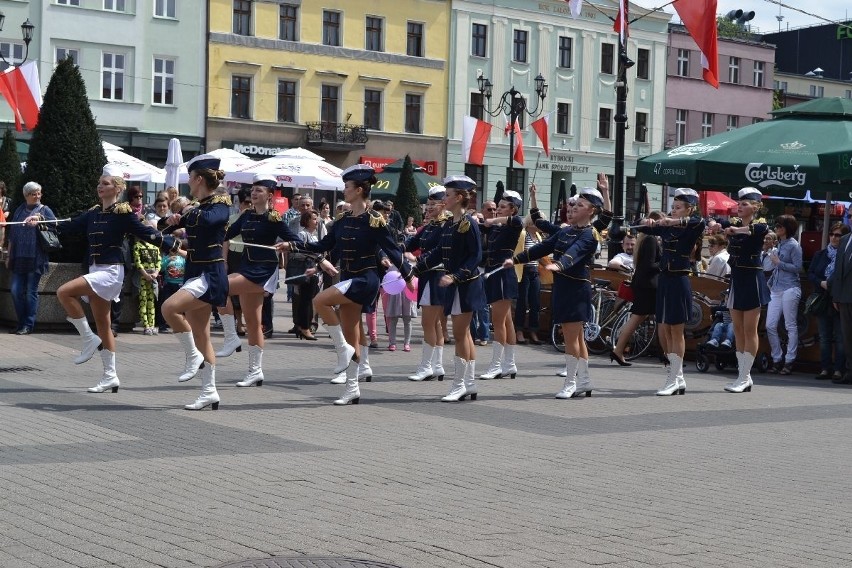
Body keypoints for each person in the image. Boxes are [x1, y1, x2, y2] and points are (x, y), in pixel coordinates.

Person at [25, 166, 175, 393]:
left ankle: (87, 338)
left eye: (105, 183)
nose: (99, 186)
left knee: (64, 292)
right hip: (96, 270)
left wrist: (176, 246)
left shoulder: (123, 214)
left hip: (111, 271)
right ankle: (110, 376)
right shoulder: (93, 213)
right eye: (99, 183)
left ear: (117, 188)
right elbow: (69, 225)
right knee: (104, 326)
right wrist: (42, 220)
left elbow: (147, 233)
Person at [276, 164, 412, 405]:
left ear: (359, 190)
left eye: (347, 187)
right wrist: (294, 245)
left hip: (366, 279)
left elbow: (392, 248)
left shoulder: (375, 221)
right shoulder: (343, 221)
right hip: (349, 277)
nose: (344, 190)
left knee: (319, 300)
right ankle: (352, 388)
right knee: (351, 334)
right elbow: (324, 246)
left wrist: (409, 276)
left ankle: (341, 351)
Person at [505, 186, 604, 399]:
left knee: (571, 338)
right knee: (576, 337)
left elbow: (574, 254)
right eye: (574, 204)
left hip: (576, 289)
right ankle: (584, 381)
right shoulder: (565, 231)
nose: (574, 208)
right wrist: (515, 259)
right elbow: (541, 248)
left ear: (591, 211)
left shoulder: (589, 234)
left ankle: (570, 383)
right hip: (563, 287)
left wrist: (559, 265)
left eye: (581, 205)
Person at [215, 174, 307, 388]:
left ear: (269, 195)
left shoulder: (274, 218)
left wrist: (286, 245)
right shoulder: (246, 216)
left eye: (259, 190)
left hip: (263, 270)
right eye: (253, 190)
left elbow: (296, 241)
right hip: (246, 266)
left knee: (219, 287)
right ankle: (255, 371)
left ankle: (230, 336)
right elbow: (228, 234)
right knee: (254, 323)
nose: (254, 193)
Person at [161, 154, 232, 410]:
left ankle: (192, 357)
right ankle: (209, 391)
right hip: (195, 271)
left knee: (169, 308)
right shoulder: (197, 205)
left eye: (190, 178)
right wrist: (170, 221)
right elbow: (165, 227)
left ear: (199, 179)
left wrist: (186, 214)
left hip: (210, 275)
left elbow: (212, 219)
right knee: (202, 335)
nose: (188, 183)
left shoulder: (220, 201)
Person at [414, 175, 484, 401]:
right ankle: (469, 383)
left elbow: (476, 256)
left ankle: (459, 384)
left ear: (459, 197)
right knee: (465, 335)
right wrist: (416, 268)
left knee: (461, 334)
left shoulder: (467, 223)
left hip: (465, 284)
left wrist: (456, 275)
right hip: (455, 284)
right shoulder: (451, 223)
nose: (444, 198)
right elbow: (438, 253)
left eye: (448, 194)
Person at [636, 188, 706, 396]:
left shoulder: (691, 226)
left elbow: (699, 223)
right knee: (665, 329)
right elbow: (646, 228)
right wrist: (648, 222)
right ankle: (677, 376)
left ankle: (674, 377)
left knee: (676, 330)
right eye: (672, 208)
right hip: (664, 280)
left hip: (678, 280)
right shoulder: (667, 229)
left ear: (689, 209)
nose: (673, 211)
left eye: (677, 208)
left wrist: (671, 221)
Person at [723, 187, 771, 393]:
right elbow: (719, 225)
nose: (739, 206)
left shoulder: (760, 225)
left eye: (744, 203)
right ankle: (743, 375)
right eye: (739, 203)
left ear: (756, 206)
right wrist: (717, 225)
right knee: (738, 328)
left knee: (750, 329)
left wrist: (735, 230)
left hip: (752, 279)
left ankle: (745, 375)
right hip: (737, 279)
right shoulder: (733, 223)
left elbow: (756, 231)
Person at [479, 190, 524, 380]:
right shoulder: (497, 226)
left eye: (503, 207)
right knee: (506, 321)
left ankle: (497, 365)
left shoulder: (513, 224)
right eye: (497, 207)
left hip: (502, 275)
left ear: (513, 209)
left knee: (498, 322)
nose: (497, 210)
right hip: (494, 274)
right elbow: (481, 227)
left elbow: (517, 221)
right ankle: (509, 364)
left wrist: (492, 221)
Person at [407, 186, 450, 381]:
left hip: (435, 276)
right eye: (428, 204)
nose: (429, 207)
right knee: (435, 324)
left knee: (428, 323)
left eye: (433, 204)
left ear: (443, 205)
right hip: (429, 277)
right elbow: (411, 244)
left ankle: (426, 367)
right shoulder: (429, 226)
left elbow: (437, 253)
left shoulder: (445, 226)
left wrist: (418, 260)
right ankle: (437, 365)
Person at [610, 211, 664, 366]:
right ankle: (665, 354)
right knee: (652, 319)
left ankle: (618, 350)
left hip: (643, 285)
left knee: (638, 318)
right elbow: (648, 265)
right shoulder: (651, 240)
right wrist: (665, 263)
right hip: (648, 286)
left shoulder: (644, 239)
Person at [5, 182, 57, 335]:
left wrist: (39, 220)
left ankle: (28, 324)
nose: (37, 196)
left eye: (39, 193)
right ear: (26, 195)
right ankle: (20, 322)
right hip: (18, 257)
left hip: (36, 257)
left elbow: (55, 226)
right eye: (34, 194)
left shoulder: (44, 210)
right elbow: (12, 235)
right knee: (15, 291)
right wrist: (8, 255)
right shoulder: (20, 210)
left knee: (30, 292)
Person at [808, 222, 850, 380]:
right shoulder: (820, 254)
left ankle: (839, 369)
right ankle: (825, 368)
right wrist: (821, 282)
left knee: (841, 337)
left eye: (838, 235)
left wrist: (832, 285)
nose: (833, 237)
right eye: (832, 234)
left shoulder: (846, 255)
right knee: (824, 336)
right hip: (822, 299)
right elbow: (811, 273)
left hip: (839, 299)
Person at [764, 214, 803, 375]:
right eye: (777, 225)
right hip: (777, 288)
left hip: (790, 287)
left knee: (790, 325)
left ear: (787, 228)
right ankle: (777, 357)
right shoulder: (780, 244)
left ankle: (789, 360)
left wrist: (779, 263)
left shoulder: (794, 245)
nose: (777, 228)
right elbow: (777, 268)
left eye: (780, 226)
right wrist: (771, 282)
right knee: (770, 325)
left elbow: (798, 267)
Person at [292, 208, 323, 340]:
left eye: (317, 219)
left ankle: (303, 326)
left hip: (315, 270)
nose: (317, 222)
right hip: (306, 269)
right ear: (307, 221)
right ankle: (304, 327)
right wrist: (314, 256)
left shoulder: (316, 235)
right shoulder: (302, 234)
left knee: (311, 299)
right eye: (314, 219)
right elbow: (298, 251)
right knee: (306, 300)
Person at [470, 200, 496, 346]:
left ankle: (484, 335)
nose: (492, 212)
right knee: (473, 304)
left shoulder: (497, 228)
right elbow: (476, 250)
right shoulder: (477, 228)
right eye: (489, 209)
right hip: (476, 269)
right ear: (483, 210)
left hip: (490, 271)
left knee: (484, 305)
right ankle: (472, 334)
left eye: (494, 209)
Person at [514, 217, 543, 345]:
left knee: (535, 303)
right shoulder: (523, 234)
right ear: (532, 223)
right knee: (522, 302)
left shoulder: (538, 235)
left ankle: (533, 330)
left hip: (535, 270)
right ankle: (519, 331)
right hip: (524, 270)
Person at [829, 224, 852, 385]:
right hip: (844, 296)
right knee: (847, 336)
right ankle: (850, 371)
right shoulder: (844, 239)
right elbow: (838, 269)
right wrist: (835, 296)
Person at [133, 225, 162, 335]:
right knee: (143, 300)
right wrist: (145, 274)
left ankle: (152, 325)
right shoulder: (138, 245)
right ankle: (146, 325)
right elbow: (137, 261)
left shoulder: (155, 247)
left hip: (153, 276)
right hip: (142, 276)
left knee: (152, 300)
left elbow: (159, 261)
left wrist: (156, 273)